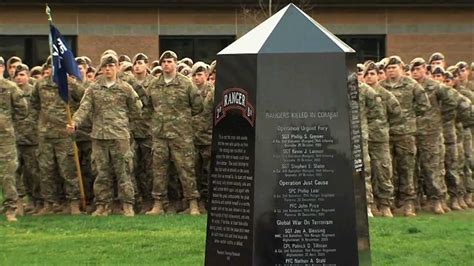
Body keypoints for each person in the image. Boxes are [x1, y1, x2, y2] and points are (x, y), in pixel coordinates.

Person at [69, 54, 142, 217]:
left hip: (119, 136)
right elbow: (84, 108)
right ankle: (103, 205)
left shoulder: (125, 88)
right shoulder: (93, 89)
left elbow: (137, 109)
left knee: (124, 171)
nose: (108, 69)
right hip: (99, 136)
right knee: (101, 172)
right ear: (101, 69)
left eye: (111, 66)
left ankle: (127, 205)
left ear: (116, 67)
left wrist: (125, 124)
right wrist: (75, 122)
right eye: (105, 67)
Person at [146, 50, 203, 216]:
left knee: (186, 170)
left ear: (176, 64)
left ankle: (193, 204)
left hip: (181, 135)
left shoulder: (186, 84)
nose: (166, 64)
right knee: (158, 171)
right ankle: (158, 204)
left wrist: (181, 119)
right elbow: (149, 107)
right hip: (160, 136)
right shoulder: (154, 85)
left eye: (170, 61)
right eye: (163, 62)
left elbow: (198, 106)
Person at [379, 56, 431, 217]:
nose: (391, 70)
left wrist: (409, 117)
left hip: (406, 133)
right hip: (387, 133)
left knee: (407, 168)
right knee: (388, 169)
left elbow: (424, 105)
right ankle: (392, 201)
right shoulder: (382, 86)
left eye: (394, 67)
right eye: (388, 68)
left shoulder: (411, 84)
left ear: (401, 68)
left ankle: (409, 202)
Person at [30, 57, 82, 216]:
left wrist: (74, 120)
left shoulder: (70, 84)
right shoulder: (40, 84)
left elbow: (83, 101)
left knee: (68, 170)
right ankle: (49, 203)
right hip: (45, 135)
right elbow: (34, 104)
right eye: (52, 66)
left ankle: (73, 203)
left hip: (64, 135)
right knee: (46, 171)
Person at [410, 58, 457, 214]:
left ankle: (437, 199)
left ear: (425, 68)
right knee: (412, 169)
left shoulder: (435, 86)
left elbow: (452, 101)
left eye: (418, 69)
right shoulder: (410, 86)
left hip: (430, 133)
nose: (415, 72)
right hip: (411, 132)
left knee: (431, 167)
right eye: (412, 69)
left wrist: (441, 117)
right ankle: (416, 200)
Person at [364, 61, 402, 217]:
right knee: (366, 172)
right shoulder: (358, 93)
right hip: (363, 139)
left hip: (380, 139)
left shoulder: (385, 94)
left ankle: (385, 204)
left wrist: (385, 127)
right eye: (366, 74)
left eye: (372, 73)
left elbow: (396, 112)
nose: (369, 77)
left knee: (383, 171)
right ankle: (370, 205)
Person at [13, 64, 42, 215]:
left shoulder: (34, 92)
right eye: (17, 75)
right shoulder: (10, 92)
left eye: (22, 74)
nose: (19, 77)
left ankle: (36, 201)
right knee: (15, 172)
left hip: (32, 139)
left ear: (28, 76)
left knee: (33, 172)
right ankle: (17, 202)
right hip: (15, 138)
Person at [0, 76, 28, 222]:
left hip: (5, 138)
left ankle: (11, 208)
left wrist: (9, 124)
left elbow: (23, 109)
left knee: (8, 174)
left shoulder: (10, 87)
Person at [131, 52, 155, 213]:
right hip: (132, 131)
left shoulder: (154, 83)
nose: (138, 66)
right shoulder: (128, 83)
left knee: (150, 168)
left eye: (141, 62)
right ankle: (136, 200)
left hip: (148, 131)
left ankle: (150, 200)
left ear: (147, 64)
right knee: (133, 168)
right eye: (135, 63)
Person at [191, 61, 215, 212]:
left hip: (208, 138)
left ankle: (208, 203)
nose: (196, 78)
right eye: (194, 75)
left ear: (206, 75)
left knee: (208, 173)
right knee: (194, 173)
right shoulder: (190, 91)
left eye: (200, 74)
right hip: (192, 139)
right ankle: (196, 203)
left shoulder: (213, 92)